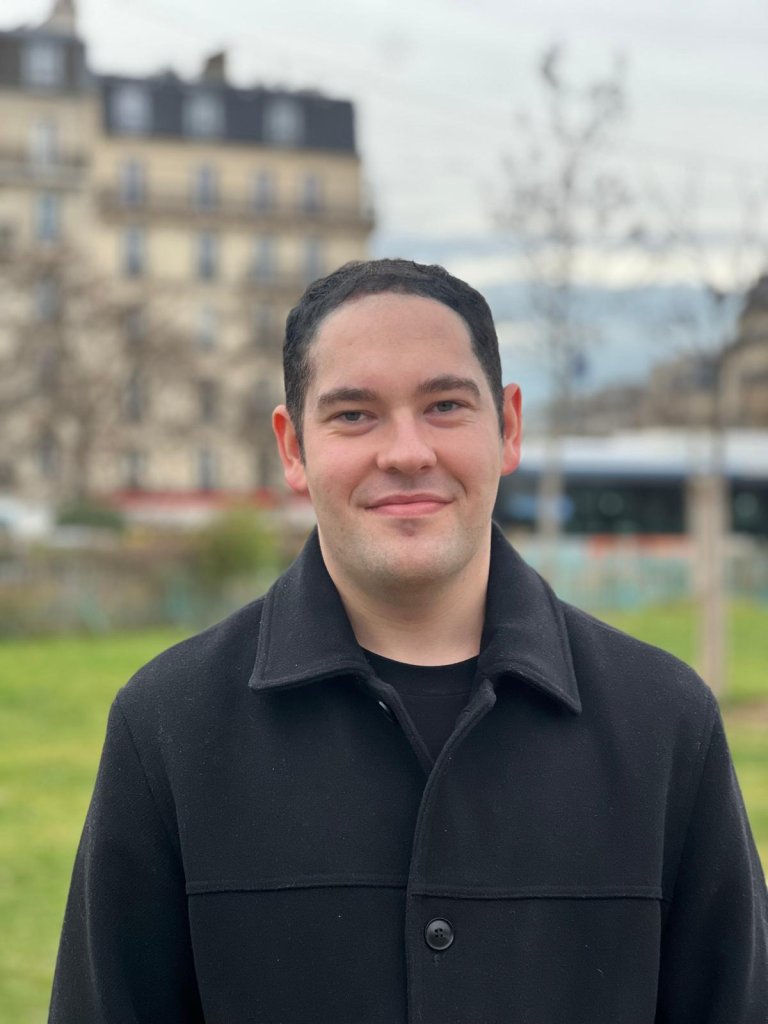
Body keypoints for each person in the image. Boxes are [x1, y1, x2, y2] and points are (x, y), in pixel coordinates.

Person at [49, 259, 767, 1023]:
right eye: (354, 414)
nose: (406, 451)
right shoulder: (167, 727)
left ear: (509, 427)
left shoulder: (666, 724)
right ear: (292, 448)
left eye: (445, 405)